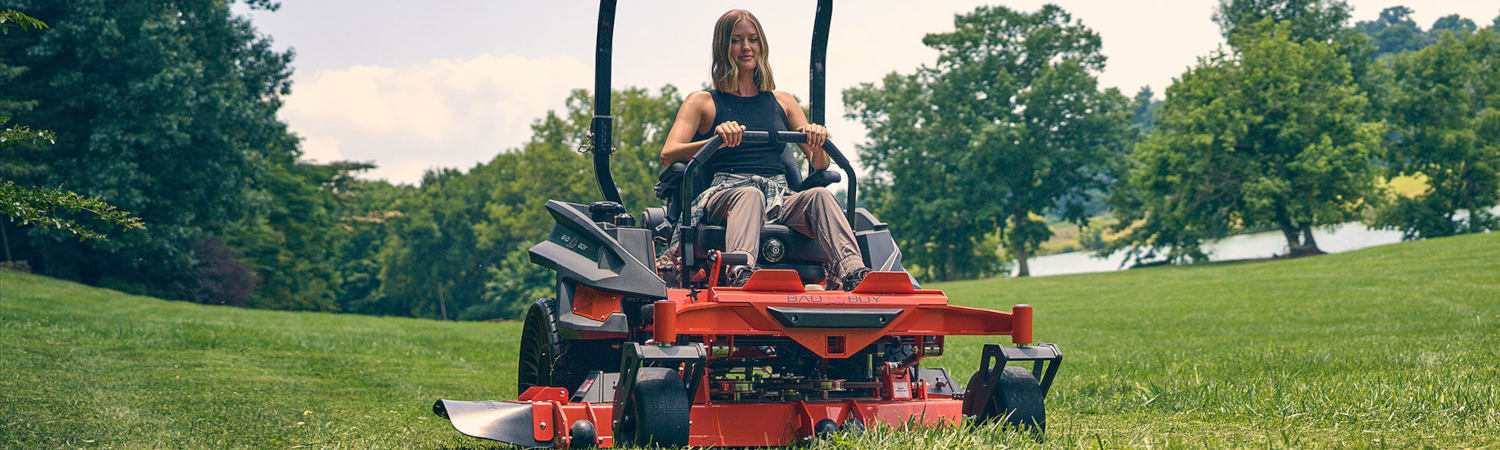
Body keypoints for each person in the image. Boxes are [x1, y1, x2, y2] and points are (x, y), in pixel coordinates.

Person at [660, 9, 871, 290]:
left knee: (820, 195)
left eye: (753, 39)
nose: (746, 47)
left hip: (779, 195)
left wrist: (817, 139)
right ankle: (741, 274)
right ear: (723, 47)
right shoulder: (703, 102)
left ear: (762, 45)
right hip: (728, 193)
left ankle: (854, 274)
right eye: (736, 40)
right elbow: (668, 154)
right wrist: (716, 140)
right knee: (749, 196)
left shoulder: (783, 101)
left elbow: (819, 164)